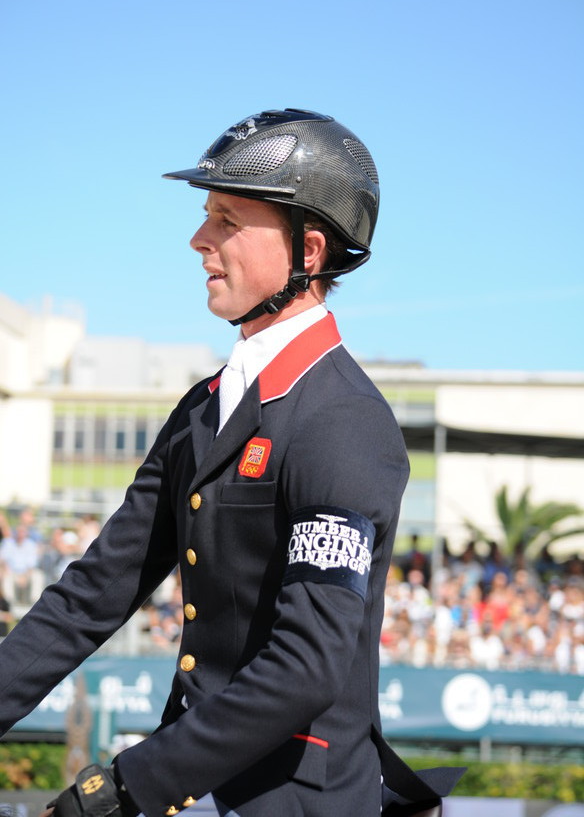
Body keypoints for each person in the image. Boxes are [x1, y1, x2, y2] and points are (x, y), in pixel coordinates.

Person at [0, 109, 461, 816]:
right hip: (193, 788)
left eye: (226, 218)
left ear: (308, 250)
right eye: (205, 215)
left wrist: (129, 786)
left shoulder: (343, 423)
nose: (198, 239)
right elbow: (93, 593)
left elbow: (306, 665)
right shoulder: (202, 407)